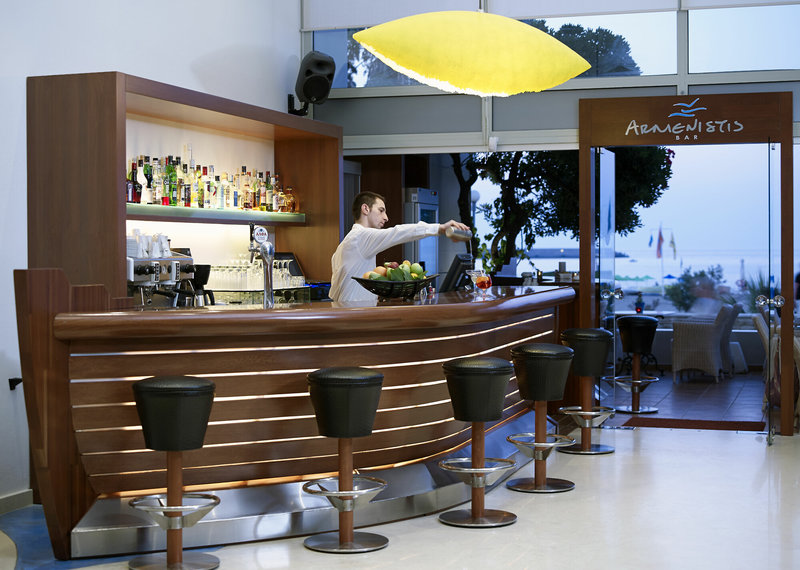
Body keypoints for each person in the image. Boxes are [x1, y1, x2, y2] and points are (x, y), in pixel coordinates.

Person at [330, 191, 471, 302]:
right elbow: (397, 232)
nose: (386, 217)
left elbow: (334, 292)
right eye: (381, 210)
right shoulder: (360, 237)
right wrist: (439, 228)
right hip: (356, 317)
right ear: (365, 209)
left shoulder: (347, 242)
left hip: (349, 313)